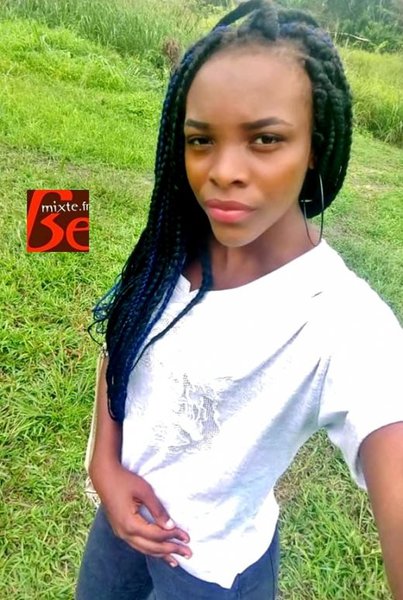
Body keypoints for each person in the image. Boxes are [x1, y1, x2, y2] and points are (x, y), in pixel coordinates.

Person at [76, 1, 403, 598]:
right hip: (119, 526)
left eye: (265, 139)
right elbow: (123, 339)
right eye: (201, 140)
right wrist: (105, 465)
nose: (223, 171)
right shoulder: (170, 249)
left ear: (314, 145)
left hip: (212, 569)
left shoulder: (341, 320)